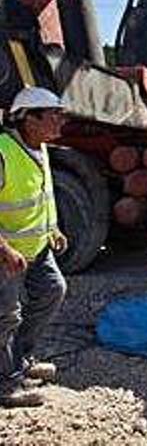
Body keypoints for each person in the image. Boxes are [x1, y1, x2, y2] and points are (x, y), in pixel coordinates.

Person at [0, 87, 69, 408]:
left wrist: (52, 228)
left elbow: (42, 195)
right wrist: (5, 249)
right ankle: (6, 385)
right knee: (5, 317)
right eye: (54, 115)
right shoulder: (3, 152)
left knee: (52, 290)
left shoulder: (39, 148)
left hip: (36, 247)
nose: (61, 121)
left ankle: (20, 358)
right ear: (28, 118)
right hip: (7, 251)